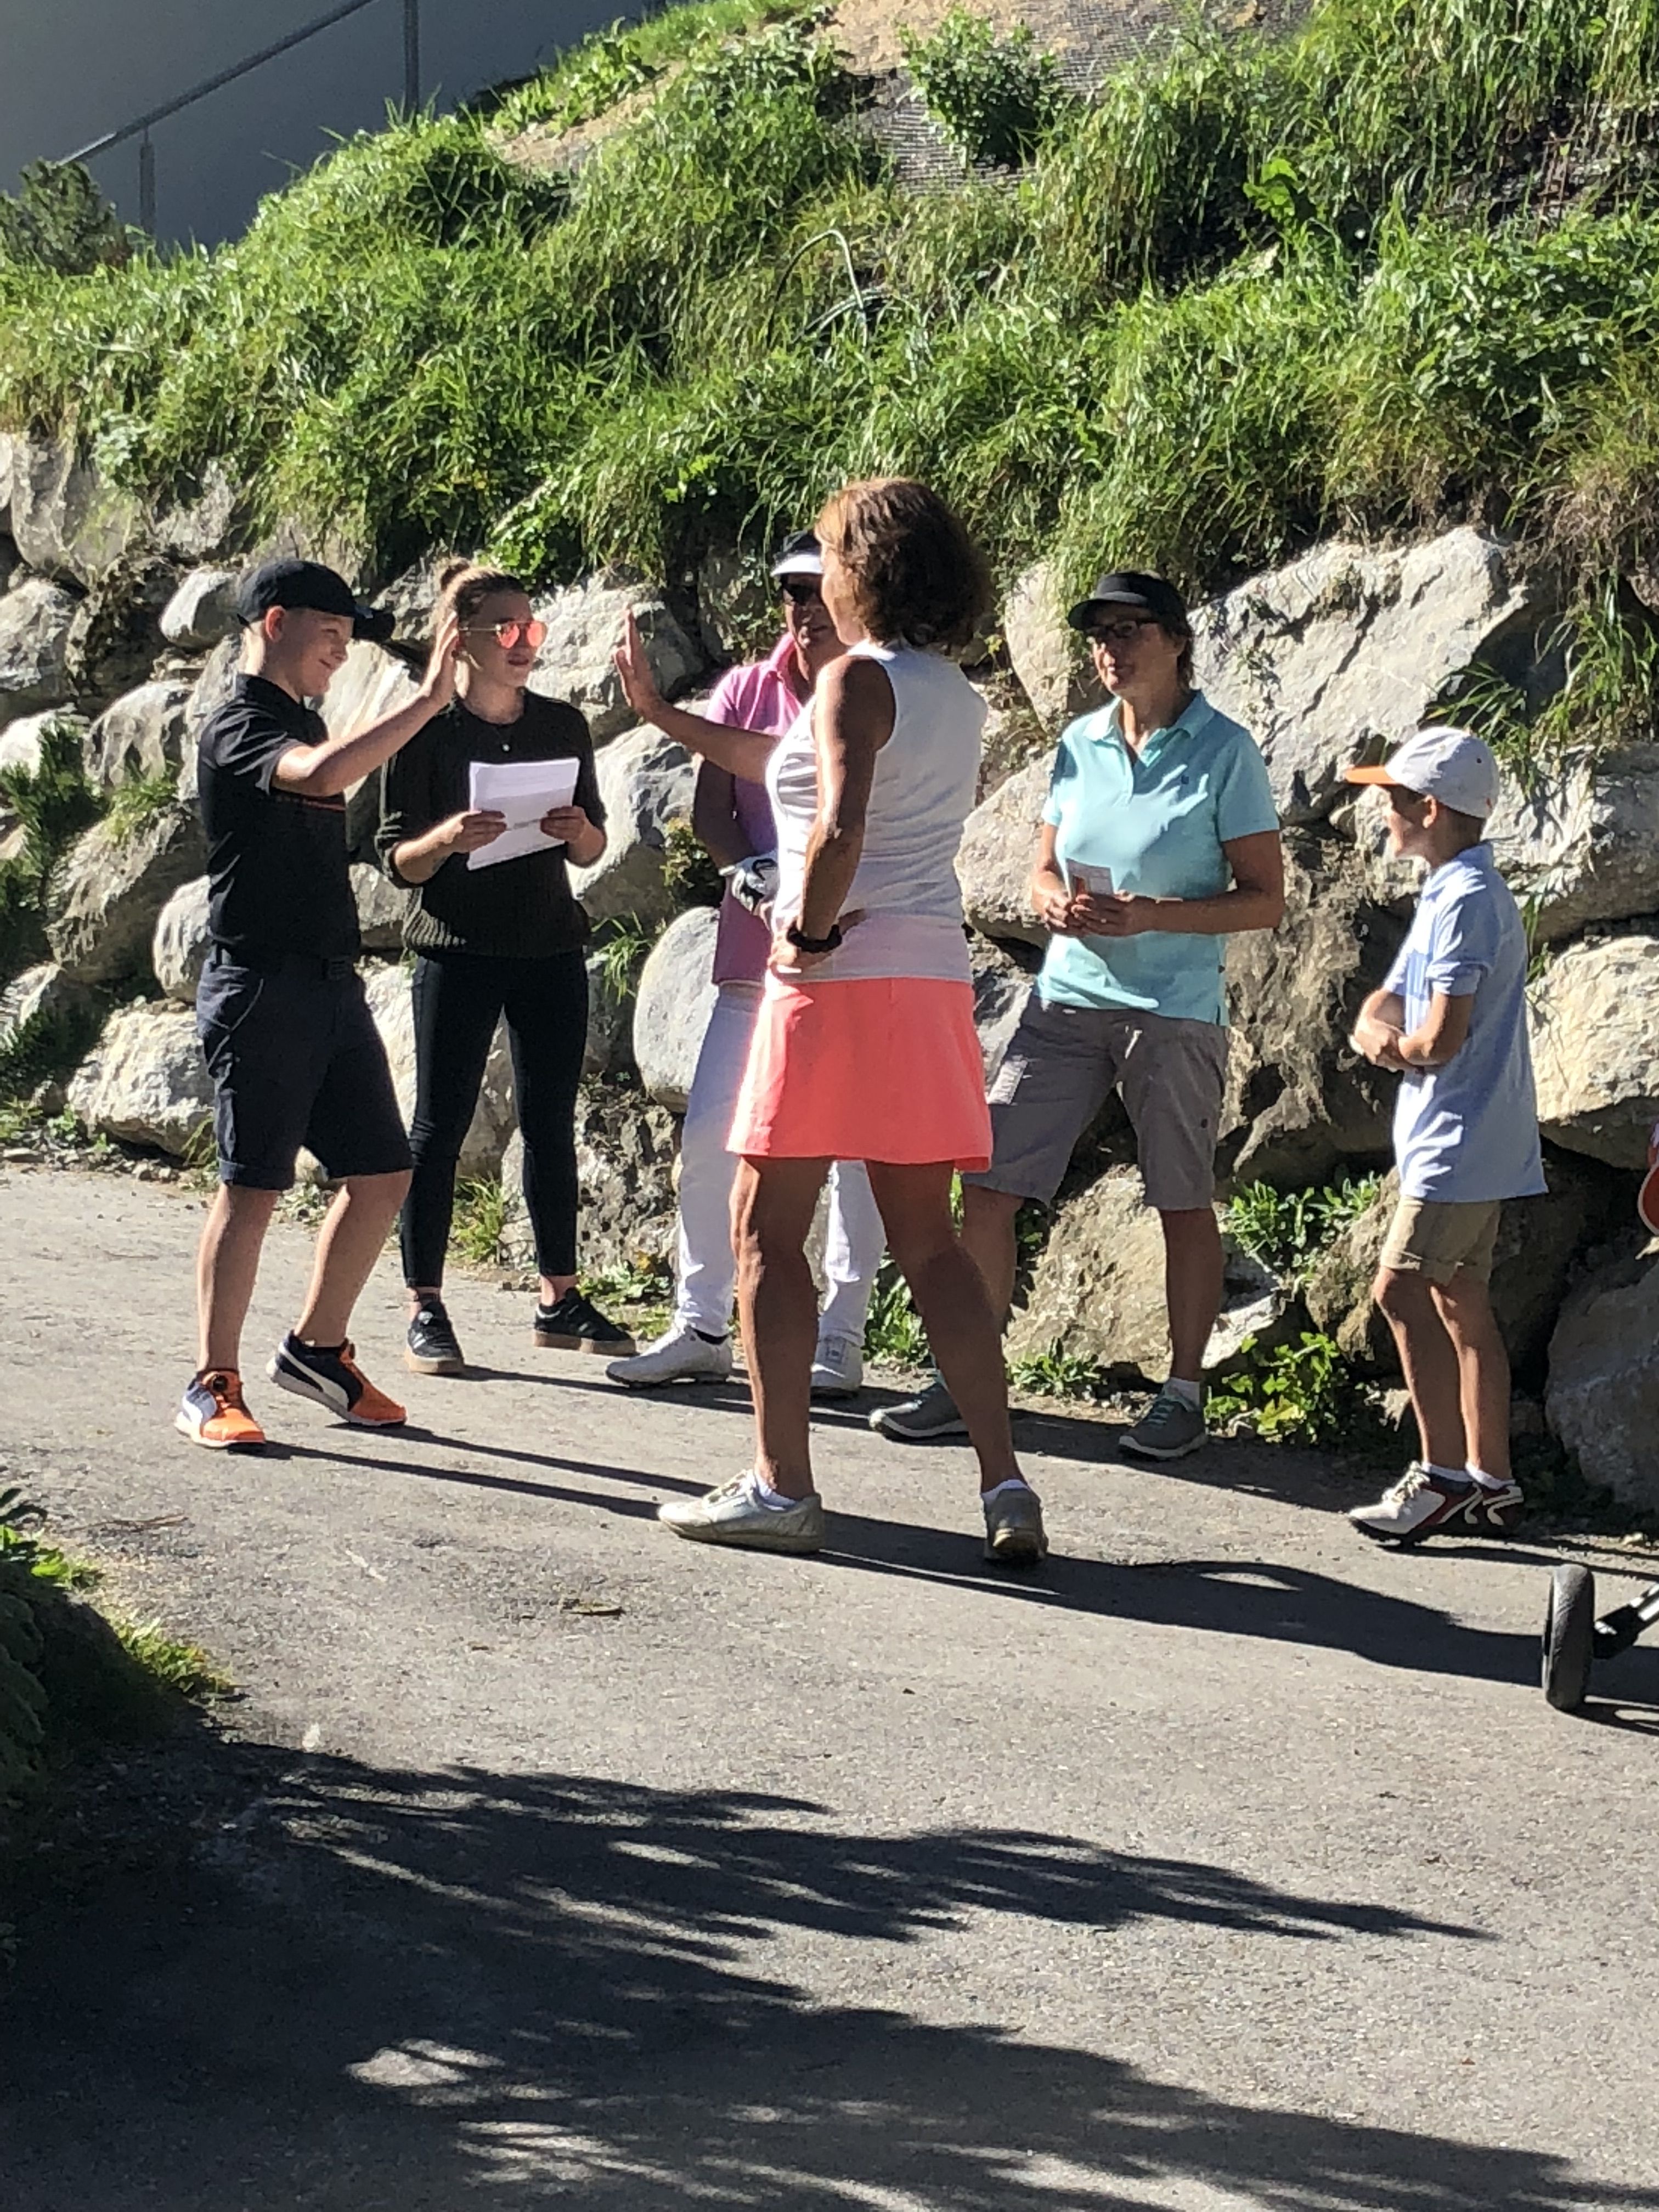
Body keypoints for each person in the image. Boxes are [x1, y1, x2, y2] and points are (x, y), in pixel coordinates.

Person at [614, 477, 1045, 1563]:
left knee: (765, 1229)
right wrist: (670, 720)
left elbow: (837, 826)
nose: (821, 575)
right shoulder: (955, 693)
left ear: (870, 567)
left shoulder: (856, 676)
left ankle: (781, 1485)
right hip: (928, 979)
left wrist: (803, 933)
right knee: (931, 1242)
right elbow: (812, 782)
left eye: (831, 555)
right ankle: (1005, 1482)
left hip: (833, 977)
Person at [873, 569, 1284, 1459]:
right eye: (1099, 634)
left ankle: (1183, 1393)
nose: (1111, 648)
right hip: (1066, 997)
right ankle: (965, 1377)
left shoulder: (1227, 750)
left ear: (1177, 641)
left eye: (1130, 629)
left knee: (1181, 1198)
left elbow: (1265, 900)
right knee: (989, 1183)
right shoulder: (1080, 741)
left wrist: (1155, 916)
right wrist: (1049, 899)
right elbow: (1040, 868)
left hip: (1173, 1009)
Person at [175, 557, 458, 1451]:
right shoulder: (238, 726)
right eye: (330, 631)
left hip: (333, 986)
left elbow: (328, 761)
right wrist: (428, 701)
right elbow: (320, 773)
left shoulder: (307, 718)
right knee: (253, 1187)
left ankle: (317, 1350)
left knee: (382, 1175)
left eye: (348, 636)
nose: (342, 649)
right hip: (259, 987)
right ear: (275, 623)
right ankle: (211, 1382)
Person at [605, 532, 885, 1398]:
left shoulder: (880, 686)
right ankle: (700, 1324)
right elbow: (714, 809)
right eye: (791, 594)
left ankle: (841, 1335)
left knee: (855, 1154)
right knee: (711, 1138)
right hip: (755, 957)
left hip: (859, 953)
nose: (804, 609)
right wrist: (747, 871)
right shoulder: (748, 689)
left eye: (818, 590)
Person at [376, 563, 631, 1372]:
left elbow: (593, 846)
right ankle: (424, 1303)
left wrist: (577, 832)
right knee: (439, 1126)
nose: (525, 643)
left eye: (533, 628)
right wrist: (447, 839)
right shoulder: (422, 731)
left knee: (550, 1120)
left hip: (550, 943)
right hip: (457, 948)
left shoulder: (562, 725)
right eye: (507, 629)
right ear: (461, 640)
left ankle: (560, 1297)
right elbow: (397, 861)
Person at [1343, 727, 1541, 1543]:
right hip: (1478, 1140)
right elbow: (1387, 1001)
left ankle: (1443, 1478)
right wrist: (1378, 1025)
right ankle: (1493, 1481)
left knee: (1398, 1292)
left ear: (1430, 809)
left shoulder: (1464, 901)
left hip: (1455, 1142)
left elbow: (1437, 1038)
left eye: (1393, 798)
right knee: (1462, 1299)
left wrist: (1390, 1047)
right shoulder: (1454, 889)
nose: (1383, 811)